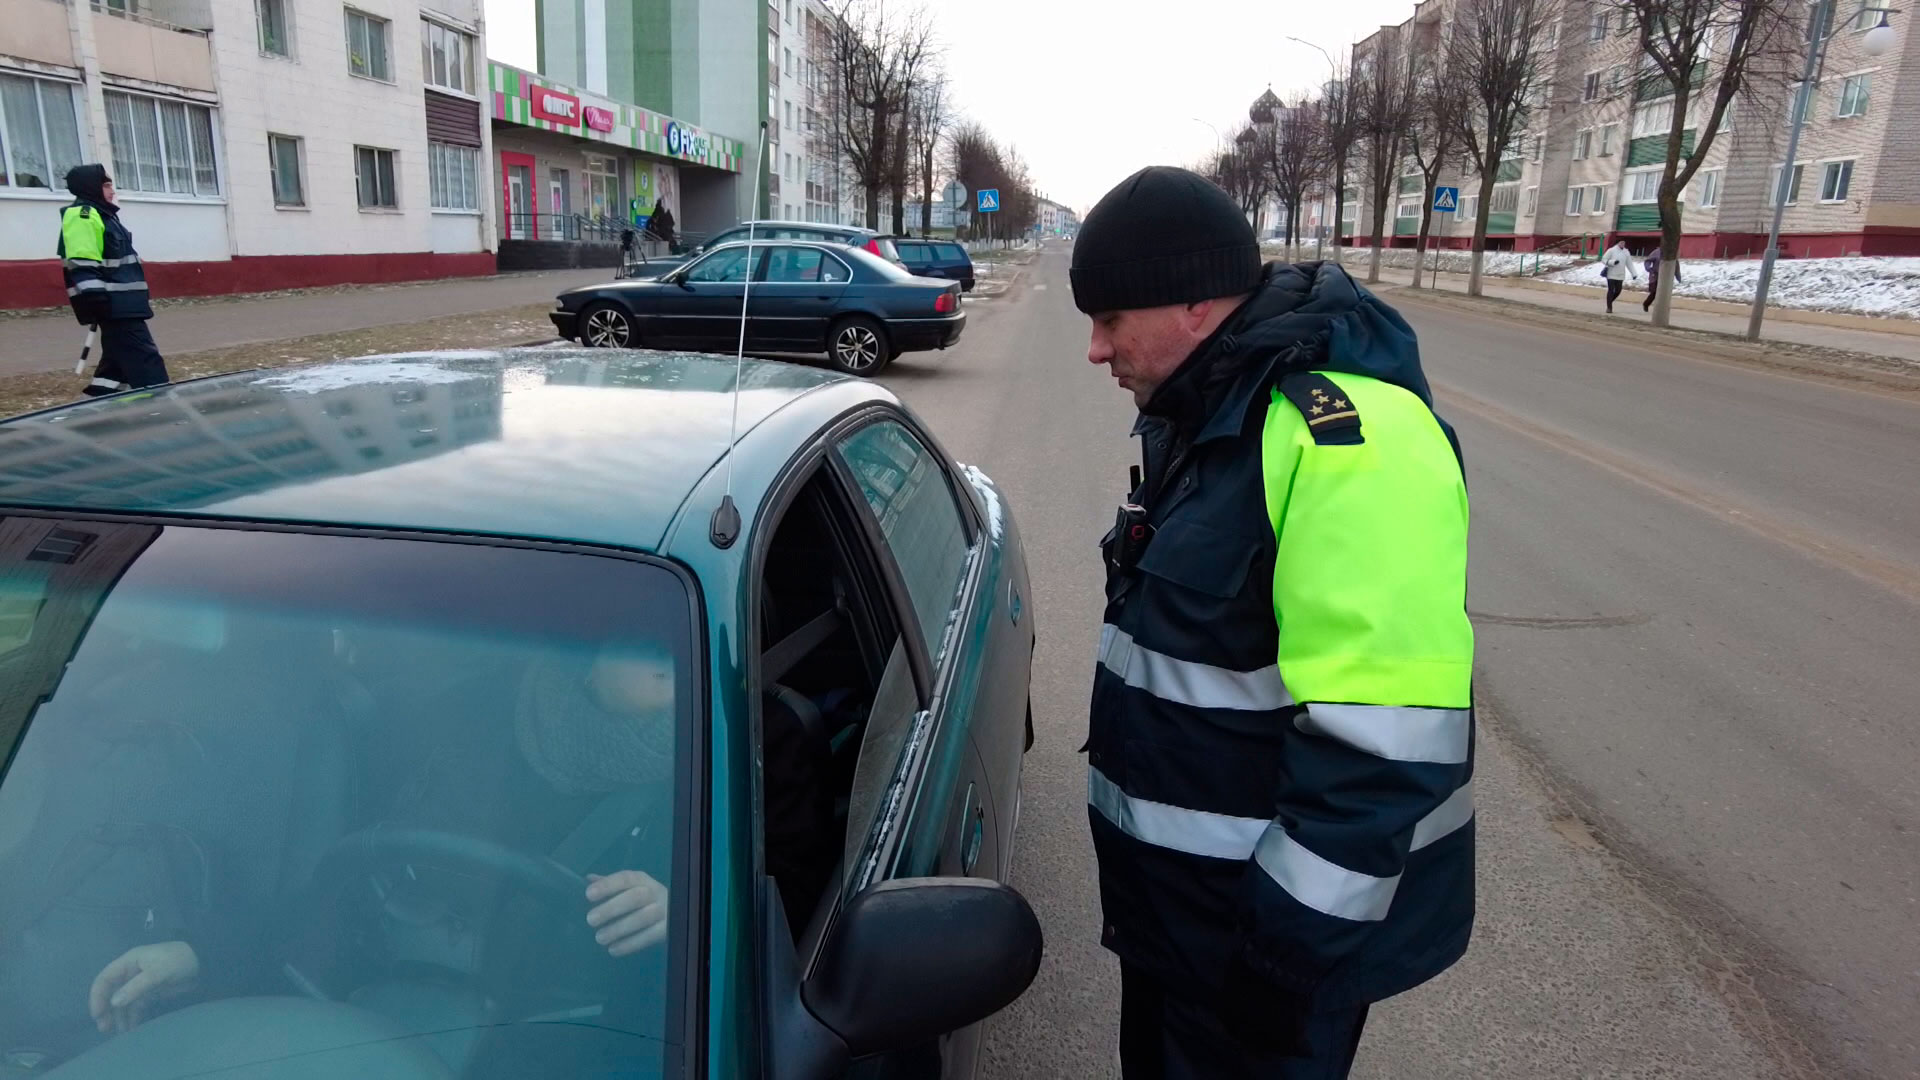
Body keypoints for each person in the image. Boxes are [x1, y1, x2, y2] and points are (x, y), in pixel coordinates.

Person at [1071, 166, 1474, 1079]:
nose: (1097, 351)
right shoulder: (1214, 415)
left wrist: (1285, 962)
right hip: (1187, 927)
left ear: (1195, 308)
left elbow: (1386, 742)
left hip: (1261, 954)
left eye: (1109, 321)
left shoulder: (1346, 442)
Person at [58, 165, 169, 397]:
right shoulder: (83, 215)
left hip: (123, 304)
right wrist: (97, 300)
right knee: (146, 363)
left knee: (115, 368)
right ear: (91, 187)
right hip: (113, 306)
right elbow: (82, 262)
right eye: (106, 185)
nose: (112, 190)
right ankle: (164, 410)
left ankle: (93, 411)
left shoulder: (105, 216)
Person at [1600, 238, 1640, 314]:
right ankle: (1609, 307)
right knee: (1611, 290)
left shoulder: (1626, 252)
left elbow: (1629, 264)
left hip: (1620, 274)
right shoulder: (1611, 250)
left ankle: (1609, 301)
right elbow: (1603, 259)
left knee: (1618, 291)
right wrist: (1612, 262)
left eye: (1624, 243)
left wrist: (1634, 274)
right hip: (1611, 274)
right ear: (1617, 243)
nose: (1623, 244)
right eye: (1621, 242)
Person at [1643, 247, 1681, 313]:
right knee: (1655, 292)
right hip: (1656, 275)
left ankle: (1661, 309)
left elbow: (1676, 265)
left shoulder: (1672, 253)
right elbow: (1648, 260)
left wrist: (1678, 276)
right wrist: (1648, 268)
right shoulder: (1657, 252)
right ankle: (1646, 304)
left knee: (1664, 293)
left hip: (1667, 277)